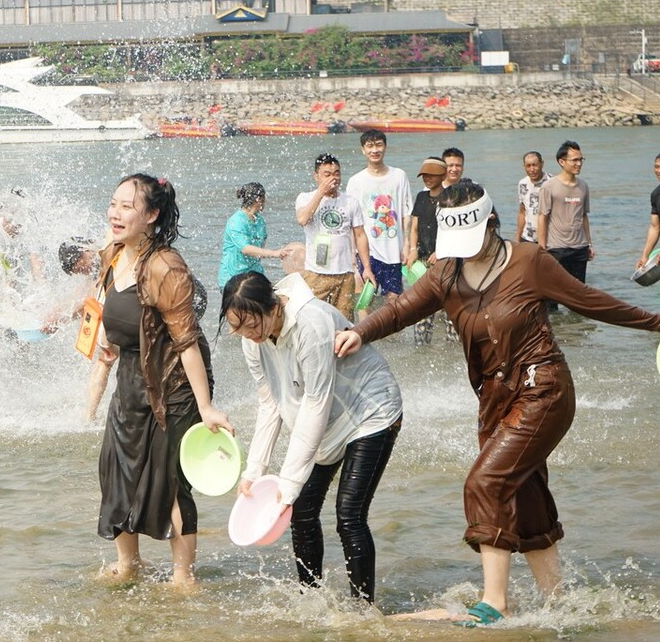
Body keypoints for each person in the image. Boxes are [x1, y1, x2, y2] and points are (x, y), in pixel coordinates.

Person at [335, 180, 660, 625]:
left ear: (492, 222)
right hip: (495, 400)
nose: (465, 251)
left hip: (544, 388)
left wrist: (655, 323)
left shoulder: (529, 262)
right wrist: (359, 331)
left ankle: (495, 604)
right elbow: (399, 311)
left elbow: (592, 303)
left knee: (485, 482)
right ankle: (559, 604)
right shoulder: (445, 273)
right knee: (523, 494)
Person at [85, 172, 232, 585]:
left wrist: (205, 407)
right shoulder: (113, 253)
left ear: (151, 215)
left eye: (127, 206)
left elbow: (187, 343)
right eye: (113, 203)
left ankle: (183, 576)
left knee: (168, 482)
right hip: (132, 380)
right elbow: (105, 313)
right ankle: (129, 564)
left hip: (174, 388)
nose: (115, 213)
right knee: (116, 469)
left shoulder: (167, 267)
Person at [221, 271, 402, 604]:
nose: (244, 334)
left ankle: (364, 612)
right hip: (329, 420)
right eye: (236, 326)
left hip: (370, 412)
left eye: (249, 324)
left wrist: (288, 483)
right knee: (302, 510)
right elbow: (270, 401)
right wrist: (253, 471)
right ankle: (311, 600)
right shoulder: (253, 341)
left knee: (348, 514)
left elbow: (316, 403)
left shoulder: (312, 323)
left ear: (274, 307)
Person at [295, 153, 374, 319]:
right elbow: (302, 219)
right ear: (316, 176)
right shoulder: (305, 197)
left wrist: (366, 268)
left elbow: (360, 236)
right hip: (316, 274)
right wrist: (320, 193)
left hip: (345, 274)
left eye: (337, 173)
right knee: (312, 320)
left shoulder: (350, 201)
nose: (333, 178)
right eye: (327, 174)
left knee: (344, 323)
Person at [346, 129, 412, 313]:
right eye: (370, 146)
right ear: (363, 150)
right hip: (368, 252)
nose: (374, 150)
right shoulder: (356, 181)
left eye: (378, 145)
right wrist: (352, 255)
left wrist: (407, 246)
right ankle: (365, 339)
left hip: (394, 251)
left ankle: (391, 340)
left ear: (385, 147)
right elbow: (352, 223)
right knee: (365, 298)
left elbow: (407, 214)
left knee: (394, 301)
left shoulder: (399, 176)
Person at [405, 157, 454, 345]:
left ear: (443, 175)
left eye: (431, 175)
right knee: (422, 308)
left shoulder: (451, 198)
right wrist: (411, 249)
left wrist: (442, 250)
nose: (427, 178)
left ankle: (453, 353)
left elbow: (453, 230)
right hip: (423, 261)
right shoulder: (421, 197)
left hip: (446, 261)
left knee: (450, 310)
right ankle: (421, 351)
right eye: (424, 175)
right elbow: (414, 227)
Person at [538, 140, 594, 288]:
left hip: (579, 248)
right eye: (574, 160)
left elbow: (583, 216)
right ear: (561, 161)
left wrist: (589, 244)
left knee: (578, 295)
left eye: (581, 159)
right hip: (556, 249)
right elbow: (542, 217)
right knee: (553, 295)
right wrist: (542, 247)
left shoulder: (583, 186)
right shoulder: (549, 186)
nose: (579, 163)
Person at [217, 182, 289, 289]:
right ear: (258, 199)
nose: (265, 202)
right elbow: (246, 249)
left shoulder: (260, 221)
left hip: (255, 276)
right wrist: (274, 253)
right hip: (233, 278)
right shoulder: (236, 221)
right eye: (264, 198)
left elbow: (259, 250)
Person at [515, 151, 552, 243]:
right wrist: (517, 238)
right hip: (527, 237)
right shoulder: (522, 184)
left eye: (535, 165)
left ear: (542, 164)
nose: (532, 169)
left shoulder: (552, 182)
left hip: (549, 239)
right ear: (524, 167)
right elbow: (522, 212)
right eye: (528, 166)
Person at [634, 153, 660, 269]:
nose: (658, 171)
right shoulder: (656, 195)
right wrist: (645, 256)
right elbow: (655, 227)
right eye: (656, 166)